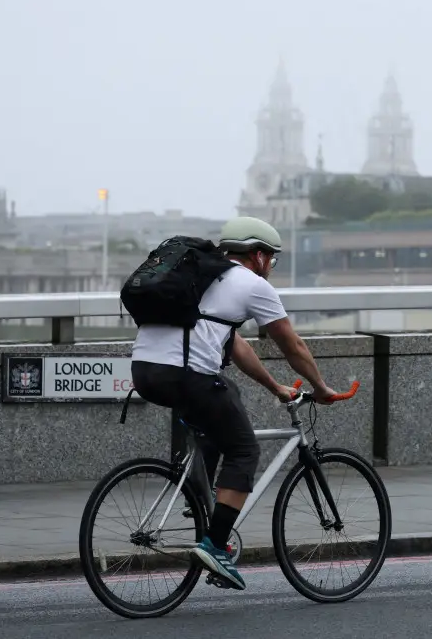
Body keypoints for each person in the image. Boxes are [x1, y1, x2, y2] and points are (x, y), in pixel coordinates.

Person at [130, 216, 339, 591]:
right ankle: (214, 544)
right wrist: (320, 387)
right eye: (271, 260)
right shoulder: (250, 283)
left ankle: (202, 500)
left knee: (223, 405)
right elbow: (292, 345)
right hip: (185, 374)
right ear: (258, 255)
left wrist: (276, 387)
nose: (270, 268)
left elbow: (236, 346)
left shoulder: (205, 277)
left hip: (145, 371)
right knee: (244, 449)